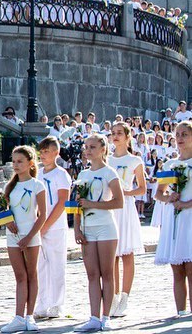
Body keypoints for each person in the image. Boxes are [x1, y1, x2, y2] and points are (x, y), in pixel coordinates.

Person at [73, 135, 124, 332]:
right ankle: (94, 317)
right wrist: (77, 228)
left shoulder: (109, 172)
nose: (88, 150)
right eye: (86, 147)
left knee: (107, 273)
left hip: (105, 227)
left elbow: (118, 202)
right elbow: (77, 204)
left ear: (103, 149)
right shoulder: (83, 174)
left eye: (92, 147)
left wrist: (93, 204)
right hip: (88, 228)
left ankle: (106, 316)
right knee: (92, 274)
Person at [0, 146, 47, 333]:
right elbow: (3, 211)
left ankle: (30, 316)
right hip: (13, 235)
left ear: (30, 163)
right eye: (14, 161)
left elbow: (42, 215)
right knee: (20, 276)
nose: (16, 165)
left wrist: (29, 237)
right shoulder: (10, 187)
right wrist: (7, 222)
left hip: (31, 235)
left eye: (20, 161)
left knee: (31, 274)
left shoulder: (37, 185)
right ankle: (18, 317)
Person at [153, 120, 192, 318]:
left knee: (191, 269)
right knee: (177, 270)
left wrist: (187, 204)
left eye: (184, 134)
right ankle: (181, 311)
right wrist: (170, 198)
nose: (180, 138)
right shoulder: (170, 164)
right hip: (175, 219)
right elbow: (159, 194)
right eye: (177, 134)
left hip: (190, 218)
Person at [107, 122, 146, 318]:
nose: (116, 136)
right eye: (113, 133)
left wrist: (126, 193)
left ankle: (125, 297)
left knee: (127, 254)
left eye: (119, 133)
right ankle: (113, 296)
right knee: (112, 255)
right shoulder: (107, 159)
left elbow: (142, 188)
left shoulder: (134, 160)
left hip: (126, 208)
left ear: (128, 136)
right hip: (110, 208)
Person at [35, 137, 71, 320]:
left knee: (57, 265)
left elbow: (62, 202)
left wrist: (46, 225)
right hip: (39, 226)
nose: (43, 155)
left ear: (56, 153)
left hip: (55, 226)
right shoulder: (38, 174)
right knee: (40, 267)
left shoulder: (61, 174)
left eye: (46, 151)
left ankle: (57, 304)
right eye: (41, 152)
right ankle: (42, 303)